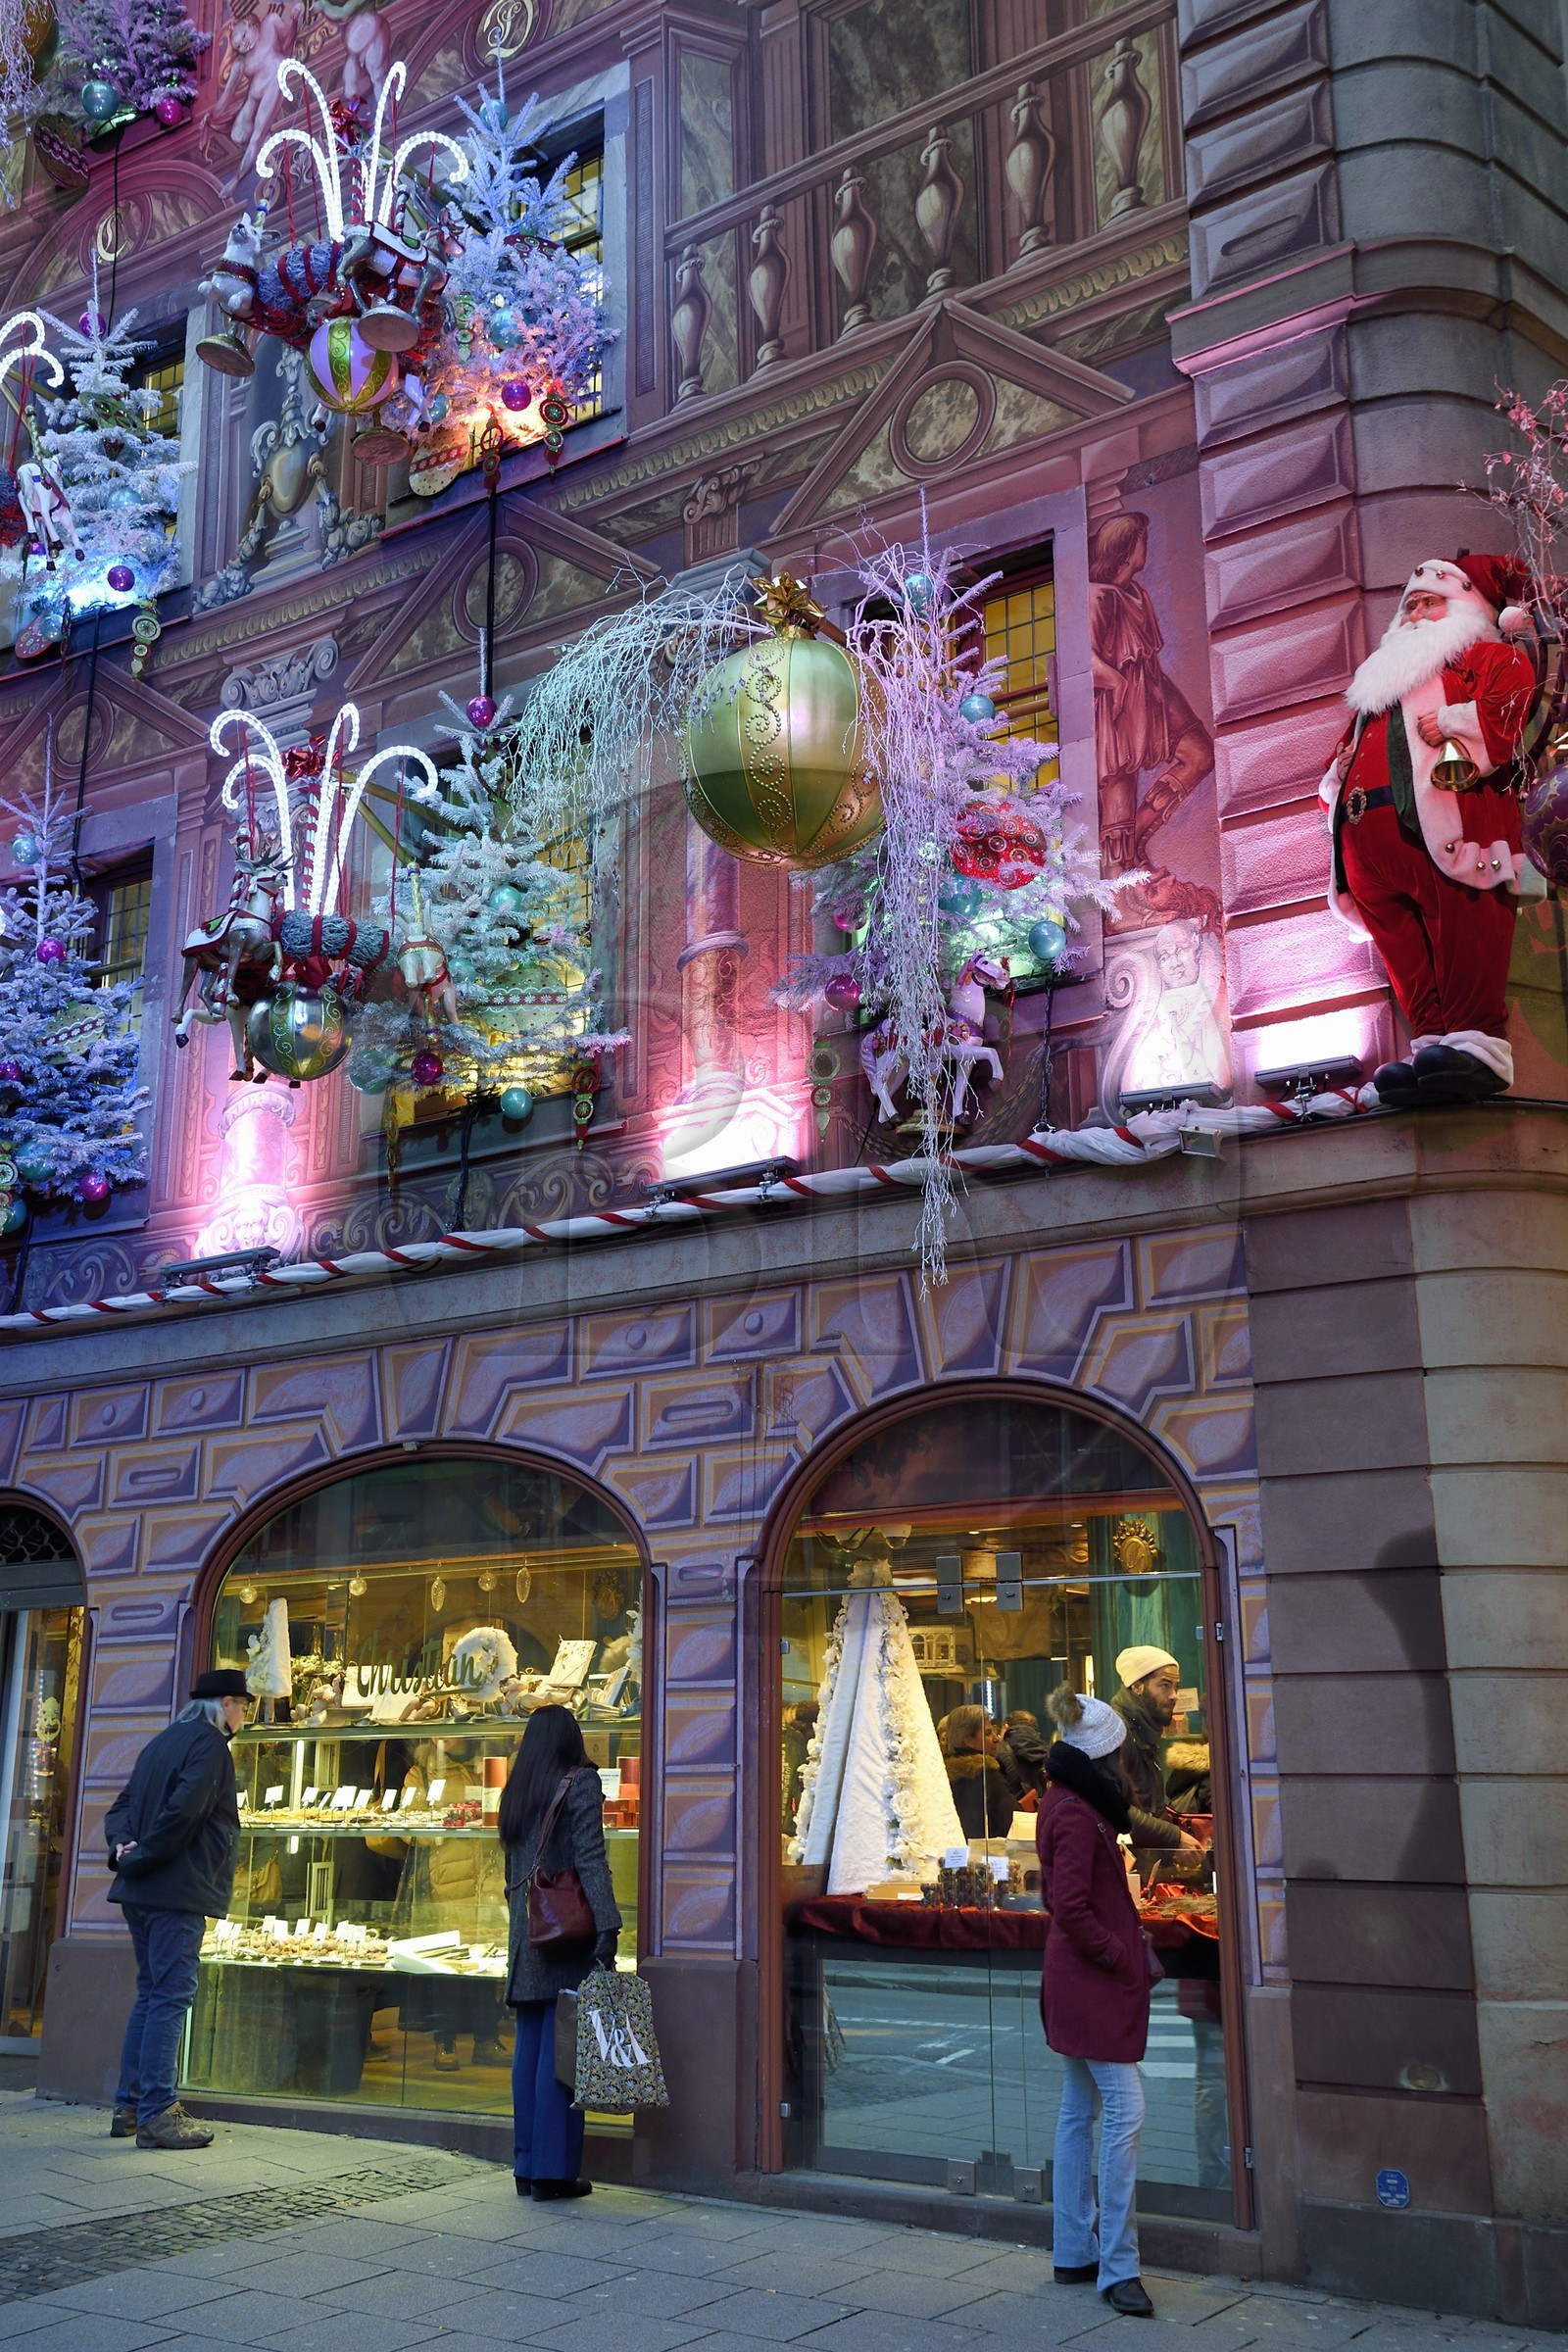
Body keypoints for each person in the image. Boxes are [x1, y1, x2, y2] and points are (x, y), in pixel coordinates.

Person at [1319, 552, 1539, 1106]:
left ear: (1464, 609)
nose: (1415, 615)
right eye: (1409, 606)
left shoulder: (1480, 655)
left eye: (1429, 604)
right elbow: (1348, 752)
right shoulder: (1382, 686)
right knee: (1406, 953)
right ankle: (1432, 1043)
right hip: (1370, 851)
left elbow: (1512, 695)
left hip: (1447, 832)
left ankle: (1477, 1048)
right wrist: (1336, 777)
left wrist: (1453, 721)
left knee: (1464, 928)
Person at [1038, 1685, 1154, 2318]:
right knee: (1124, 2112)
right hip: (1092, 1981)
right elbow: (1073, 1908)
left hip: (1074, 1980)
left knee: (1078, 2109)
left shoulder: (1065, 1802)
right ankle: (1118, 2266)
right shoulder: (1082, 1813)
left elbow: (1066, 1904)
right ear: (1105, 1759)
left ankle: (1073, 2250)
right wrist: (1118, 1954)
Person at [105, 1668, 249, 2150]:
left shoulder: (161, 1741)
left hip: (142, 1890)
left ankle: (130, 2105)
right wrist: (142, 1853)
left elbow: (120, 1807)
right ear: (225, 1705)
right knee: (169, 1998)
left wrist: (125, 1849)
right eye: (243, 1705)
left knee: (150, 1994)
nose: (245, 1714)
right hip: (176, 1889)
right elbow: (186, 1811)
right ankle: (159, 2114)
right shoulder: (210, 1746)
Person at [499, 1705, 620, 2201]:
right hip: (565, 1932)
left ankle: (527, 2166)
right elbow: (591, 1858)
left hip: (528, 1935)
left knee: (529, 2052)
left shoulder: (517, 1789)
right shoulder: (579, 1782)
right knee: (561, 2053)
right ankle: (553, 2172)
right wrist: (608, 1925)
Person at [1112, 1644, 1200, 1878]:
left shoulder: (1143, 1730)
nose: (1174, 1696)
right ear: (1137, 1686)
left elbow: (1148, 1804)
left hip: (1142, 1868)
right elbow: (1113, 1807)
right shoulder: (1117, 1731)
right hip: (1124, 1871)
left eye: (1176, 1686)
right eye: (1164, 1685)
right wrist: (1174, 1837)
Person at [942, 1703, 1012, 1838]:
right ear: (968, 1739)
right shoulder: (987, 1774)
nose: (996, 1739)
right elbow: (1007, 1821)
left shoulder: (940, 1775)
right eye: (987, 1733)